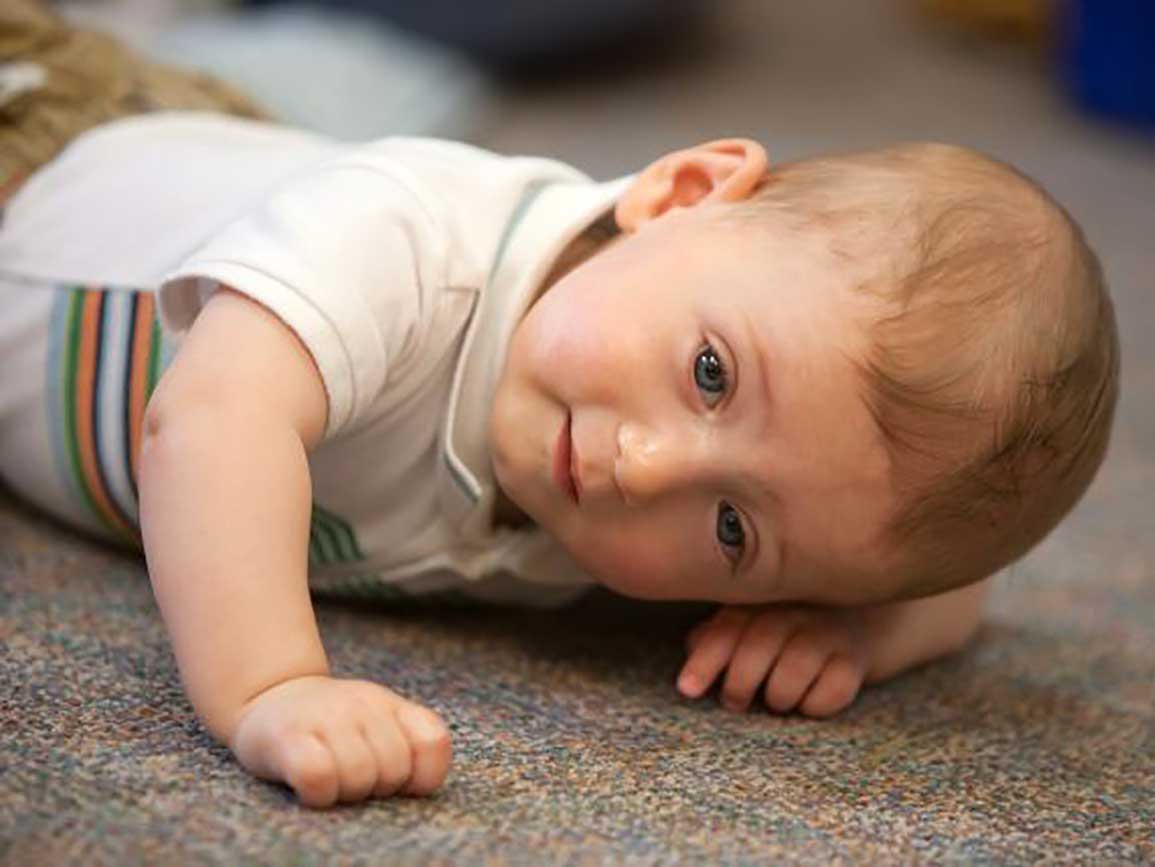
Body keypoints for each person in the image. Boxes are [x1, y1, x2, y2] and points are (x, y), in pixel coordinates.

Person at [0, 2, 1119, 810]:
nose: (647, 467)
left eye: (735, 528)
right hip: (44, 156)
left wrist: (857, 629)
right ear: (679, 194)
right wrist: (273, 684)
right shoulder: (403, 242)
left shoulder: (704, 477)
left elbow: (955, 579)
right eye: (713, 375)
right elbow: (207, 421)